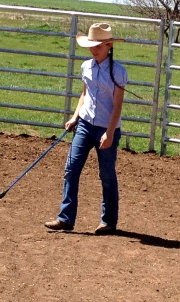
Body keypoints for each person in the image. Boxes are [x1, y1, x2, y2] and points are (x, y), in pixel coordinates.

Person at [44, 23, 127, 234]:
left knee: (107, 175)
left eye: (98, 45)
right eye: (92, 45)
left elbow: (117, 106)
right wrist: (74, 117)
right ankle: (65, 218)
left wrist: (109, 132)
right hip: (85, 125)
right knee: (71, 169)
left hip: (106, 129)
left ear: (108, 45)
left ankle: (108, 221)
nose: (93, 49)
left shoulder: (118, 72)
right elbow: (85, 94)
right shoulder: (86, 67)